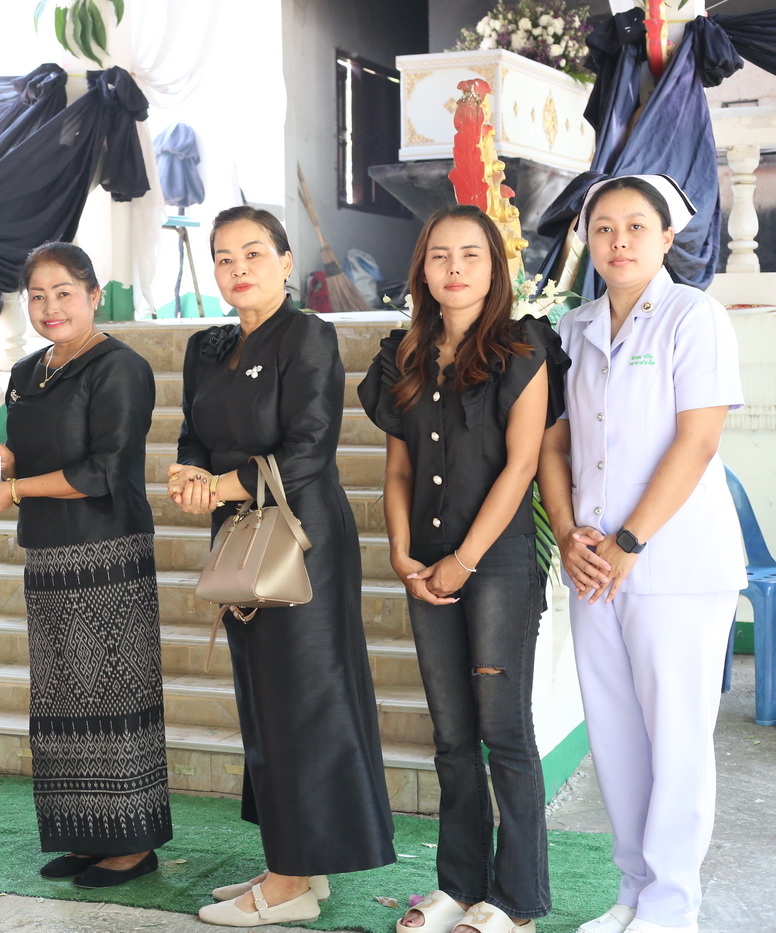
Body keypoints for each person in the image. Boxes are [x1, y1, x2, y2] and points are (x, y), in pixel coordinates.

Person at [170, 205, 395, 928]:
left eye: (254, 253)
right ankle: (297, 860)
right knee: (264, 698)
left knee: (304, 699)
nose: (239, 269)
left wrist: (222, 485)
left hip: (301, 539)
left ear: (287, 262)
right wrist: (188, 473)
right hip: (239, 534)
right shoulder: (206, 347)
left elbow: (309, 448)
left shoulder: (308, 336)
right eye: (225, 257)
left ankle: (292, 880)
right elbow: (192, 432)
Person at [537, 175, 745, 933]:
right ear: (587, 240)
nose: (618, 241)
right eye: (603, 228)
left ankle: (672, 905)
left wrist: (629, 541)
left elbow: (699, 440)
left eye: (635, 226)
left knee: (678, 738)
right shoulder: (573, 328)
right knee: (617, 736)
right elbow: (554, 444)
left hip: (674, 564)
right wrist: (569, 534)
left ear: (666, 237)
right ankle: (631, 895)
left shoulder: (694, 316)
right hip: (593, 567)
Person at [359, 205, 567, 933]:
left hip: (497, 566)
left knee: (503, 732)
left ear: (494, 266)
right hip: (425, 565)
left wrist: (464, 560)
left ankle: (515, 901)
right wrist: (401, 551)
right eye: (440, 255)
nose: (454, 268)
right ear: (422, 268)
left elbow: (522, 464)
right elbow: (398, 469)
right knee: (451, 737)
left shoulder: (524, 347)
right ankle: (458, 886)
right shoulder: (404, 355)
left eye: (470, 254)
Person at [0, 241, 171, 888]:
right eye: (37, 295)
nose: (50, 306)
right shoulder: (27, 371)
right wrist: (2, 461)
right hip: (49, 554)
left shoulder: (121, 367)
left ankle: (132, 846)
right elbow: (30, 453)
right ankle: (86, 835)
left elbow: (105, 470)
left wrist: (17, 488)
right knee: (61, 697)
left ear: (92, 295)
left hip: (107, 553)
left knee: (114, 694)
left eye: (63, 293)